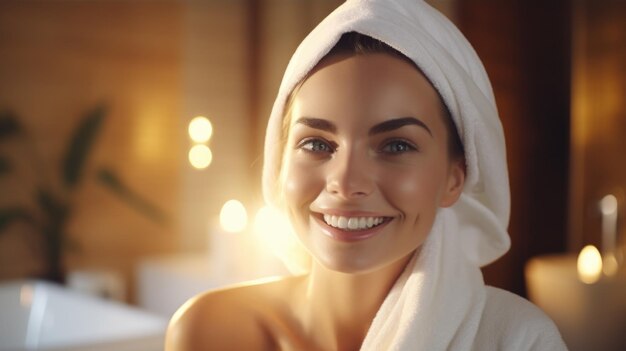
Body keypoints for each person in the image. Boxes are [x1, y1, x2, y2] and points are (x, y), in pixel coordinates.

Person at [166, 1, 567, 350]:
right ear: (279, 158)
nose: (345, 181)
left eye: (395, 145)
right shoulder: (209, 332)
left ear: (454, 179)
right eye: (317, 144)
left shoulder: (518, 340)